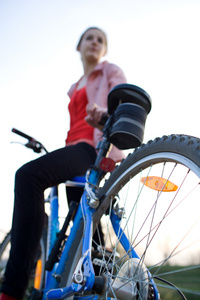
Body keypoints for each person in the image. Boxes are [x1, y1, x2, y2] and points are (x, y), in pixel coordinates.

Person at [0, 27, 127, 300]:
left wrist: (106, 116)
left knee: (28, 177)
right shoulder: (75, 87)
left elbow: (122, 101)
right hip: (74, 150)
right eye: (89, 38)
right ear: (78, 47)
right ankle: (91, 290)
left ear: (103, 50)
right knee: (84, 231)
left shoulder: (108, 71)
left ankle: (10, 291)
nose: (94, 42)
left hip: (92, 148)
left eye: (100, 40)